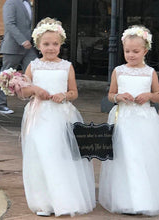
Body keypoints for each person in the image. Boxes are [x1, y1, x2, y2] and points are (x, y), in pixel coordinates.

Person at [20, 17, 96, 217]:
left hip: (61, 116)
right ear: (38, 45)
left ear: (61, 45)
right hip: (39, 116)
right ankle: (44, 202)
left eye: (55, 44)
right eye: (46, 44)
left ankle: (64, 199)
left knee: (59, 155)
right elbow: (23, 91)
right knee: (41, 155)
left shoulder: (66, 66)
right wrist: (35, 90)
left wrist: (64, 95)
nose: (51, 48)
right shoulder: (33, 66)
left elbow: (74, 92)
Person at [99, 25, 159, 216]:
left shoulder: (150, 72)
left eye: (135, 51)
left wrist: (150, 95)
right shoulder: (118, 71)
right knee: (125, 157)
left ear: (145, 50)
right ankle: (125, 199)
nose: (131, 55)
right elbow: (110, 94)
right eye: (127, 51)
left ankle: (144, 198)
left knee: (143, 157)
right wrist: (118, 97)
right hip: (124, 120)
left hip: (144, 121)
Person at [0, 0, 37, 114]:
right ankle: (0, 104)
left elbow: (28, 25)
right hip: (13, 46)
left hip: (28, 47)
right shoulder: (11, 3)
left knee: (35, 70)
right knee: (6, 75)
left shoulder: (28, 3)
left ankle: (34, 100)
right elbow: (9, 24)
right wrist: (22, 40)